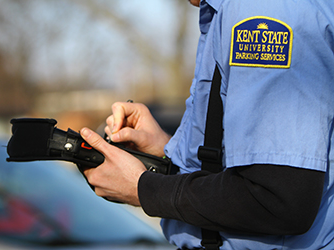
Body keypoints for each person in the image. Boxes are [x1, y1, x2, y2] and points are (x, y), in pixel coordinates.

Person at [81, 0, 334, 249]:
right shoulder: (231, 11)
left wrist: (142, 188)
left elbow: (277, 199)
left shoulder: (262, 8)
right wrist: (165, 150)